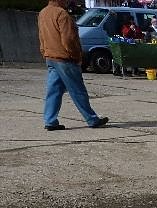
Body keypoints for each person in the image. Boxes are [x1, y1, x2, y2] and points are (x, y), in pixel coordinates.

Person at [38, 0, 109, 131]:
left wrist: (44, 51)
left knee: (53, 91)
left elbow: (41, 36)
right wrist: (76, 56)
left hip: (51, 57)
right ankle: (92, 119)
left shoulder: (43, 13)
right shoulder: (62, 14)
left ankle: (50, 120)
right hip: (65, 58)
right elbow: (68, 39)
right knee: (78, 90)